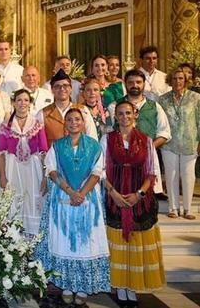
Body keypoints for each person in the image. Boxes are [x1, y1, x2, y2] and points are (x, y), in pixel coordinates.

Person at [36, 108, 110, 306]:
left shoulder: (94, 146)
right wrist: (71, 192)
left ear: (83, 123)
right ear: (65, 124)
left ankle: (83, 287)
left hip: (88, 202)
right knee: (65, 242)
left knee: (86, 243)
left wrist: (82, 193)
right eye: (69, 119)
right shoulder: (57, 146)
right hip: (63, 200)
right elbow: (51, 170)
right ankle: (67, 285)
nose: (74, 122)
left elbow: (97, 172)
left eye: (77, 119)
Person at [101, 101, 165, 305]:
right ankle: (120, 287)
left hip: (139, 199)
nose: (124, 117)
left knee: (135, 243)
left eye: (128, 113)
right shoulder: (107, 139)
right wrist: (114, 194)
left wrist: (139, 194)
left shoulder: (146, 140)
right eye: (120, 114)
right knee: (119, 243)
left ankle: (132, 287)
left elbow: (152, 171)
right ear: (115, 117)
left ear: (135, 115)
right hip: (115, 196)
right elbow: (100, 170)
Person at [106, 69, 171, 200]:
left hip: (146, 158)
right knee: (122, 192)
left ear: (144, 84)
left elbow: (165, 132)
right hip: (120, 161)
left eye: (138, 82)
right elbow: (108, 131)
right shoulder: (114, 106)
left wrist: (147, 147)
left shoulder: (154, 106)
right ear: (125, 84)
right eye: (130, 82)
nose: (134, 85)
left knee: (146, 194)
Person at [0, 89, 48, 236]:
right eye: (19, 100)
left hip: (33, 168)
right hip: (12, 168)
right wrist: (2, 177)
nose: (22, 103)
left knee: (33, 199)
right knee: (14, 199)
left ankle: (33, 240)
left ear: (30, 103)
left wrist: (45, 177)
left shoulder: (37, 124)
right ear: (13, 103)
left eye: (26, 100)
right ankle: (14, 241)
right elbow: (1, 153)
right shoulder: (6, 125)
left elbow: (44, 151)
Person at [159, 68, 200, 219]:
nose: (178, 81)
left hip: (190, 141)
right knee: (171, 175)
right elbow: (161, 122)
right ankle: (173, 208)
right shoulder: (163, 99)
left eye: (181, 78)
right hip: (169, 143)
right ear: (170, 80)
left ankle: (188, 209)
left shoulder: (195, 98)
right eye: (175, 78)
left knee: (188, 175)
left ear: (186, 80)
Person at [37, 69, 98, 147]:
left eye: (65, 85)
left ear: (71, 89)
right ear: (52, 90)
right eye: (57, 86)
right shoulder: (43, 114)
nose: (62, 89)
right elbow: (39, 144)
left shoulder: (83, 110)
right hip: (54, 158)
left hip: (80, 157)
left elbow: (92, 139)